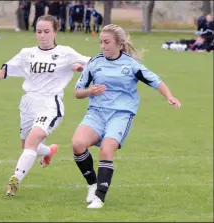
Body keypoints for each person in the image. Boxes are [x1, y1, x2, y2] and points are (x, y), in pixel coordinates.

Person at [0, 15, 90, 197]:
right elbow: (4, 72)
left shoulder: (66, 53)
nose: (42, 35)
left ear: (55, 32)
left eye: (46, 31)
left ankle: (15, 180)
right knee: (27, 146)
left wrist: (81, 67)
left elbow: (91, 62)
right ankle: (49, 151)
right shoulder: (26, 54)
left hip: (50, 103)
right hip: (28, 103)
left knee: (32, 140)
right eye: (39, 31)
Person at [72, 24, 181, 209]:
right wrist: (90, 91)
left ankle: (99, 197)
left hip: (121, 114)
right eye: (101, 42)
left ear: (120, 44)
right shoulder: (94, 63)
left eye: (107, 42)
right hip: (96, 113)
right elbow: (77, 92)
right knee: (77, 144)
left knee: (107, 148)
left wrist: (169, 96)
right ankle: (92, 183)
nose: (103, 46)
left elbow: (155, 81)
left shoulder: (131, 64)